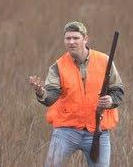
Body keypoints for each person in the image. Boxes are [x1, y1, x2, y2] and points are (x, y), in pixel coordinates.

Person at [29, 21, 125, 167]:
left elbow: (118, 90)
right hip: (66, 131)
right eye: (68, 38)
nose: (71, 42)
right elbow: (51, 96)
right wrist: (41, 91)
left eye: (75, 38)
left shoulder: (105, 60)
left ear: (85, 39)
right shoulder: (58, 66)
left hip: (98, 131)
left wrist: (110, 100)